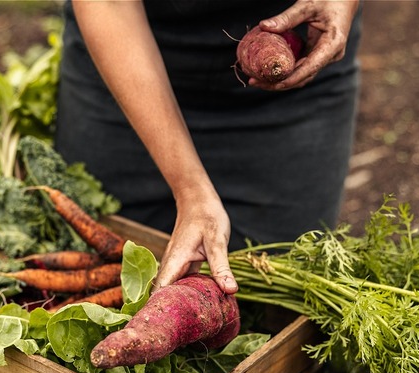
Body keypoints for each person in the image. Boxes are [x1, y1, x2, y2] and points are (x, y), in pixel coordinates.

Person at [55, 0, 362, 294]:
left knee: (285, 288)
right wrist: (190, 189)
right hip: (126, 68)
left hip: (297, 63)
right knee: (103, 268)